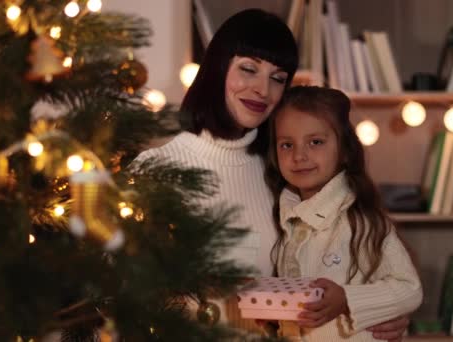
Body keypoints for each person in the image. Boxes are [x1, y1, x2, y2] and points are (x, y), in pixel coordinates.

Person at [134, 8, 411, 340]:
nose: (262, 90)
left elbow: (343, 262)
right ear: (217, 68)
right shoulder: (156, 170)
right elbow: (123, 298)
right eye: (248, 69)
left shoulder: (286, 168)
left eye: (277, 78)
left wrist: (372, 311)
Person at [264, 86, 423, 341]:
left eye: (315, 142)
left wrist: (346, 300)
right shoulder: (286, 219)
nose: (299, 155)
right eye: (286, 145)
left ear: (345, 150)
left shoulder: (362, 221)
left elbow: (409, 289)